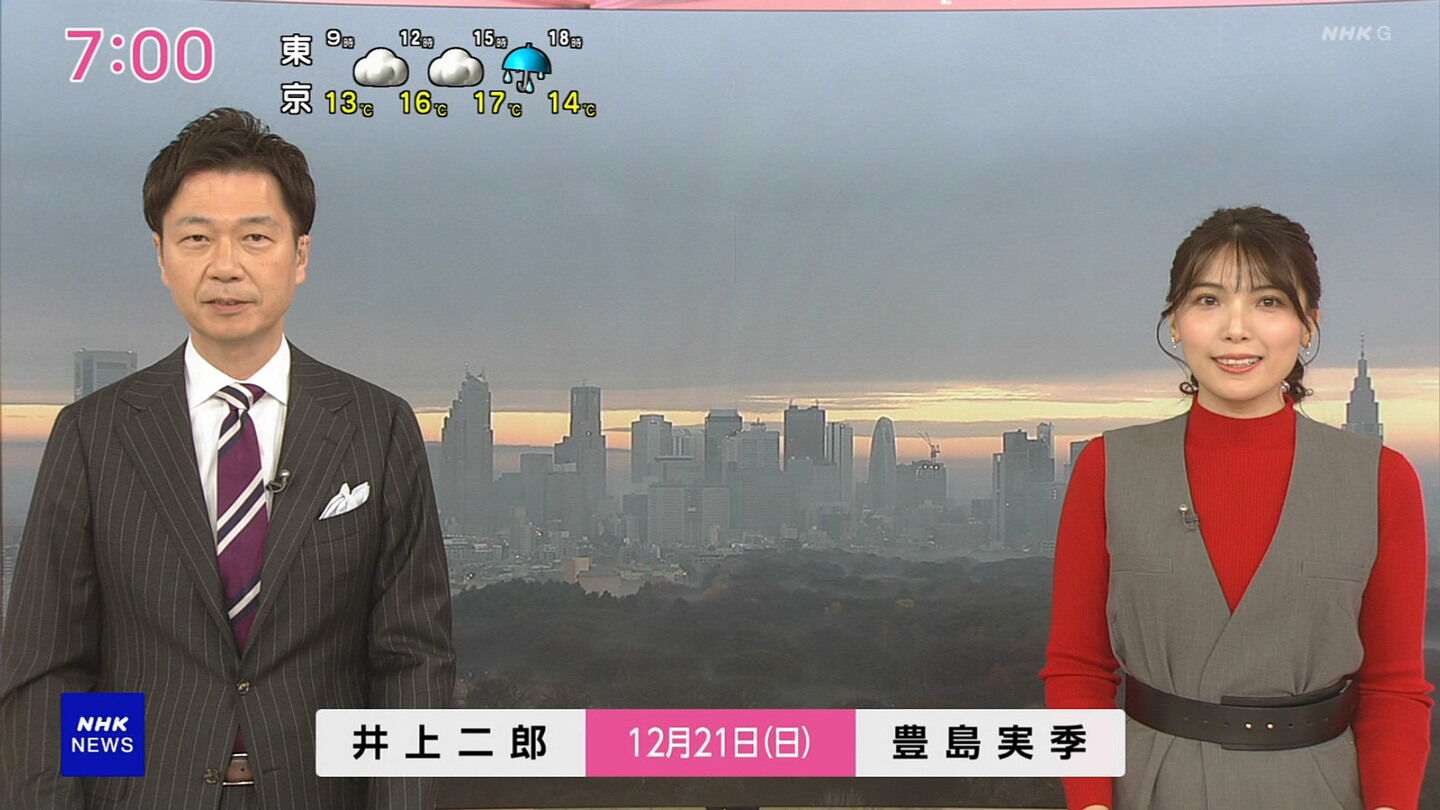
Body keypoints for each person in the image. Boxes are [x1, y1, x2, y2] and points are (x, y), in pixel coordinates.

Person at [0, 108, 455, 810]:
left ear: (300, 255)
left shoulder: (379, 426)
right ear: (161, 255)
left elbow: (412, 663)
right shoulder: (92, 434)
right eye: (196, 238)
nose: (225, 266)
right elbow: (50, 670)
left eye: (255, 237)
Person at [1041, 206, 1431, 810]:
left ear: (1309, 323)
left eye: (1268, 302)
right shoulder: (1107, 467)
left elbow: (1392, 688)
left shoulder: (1382, 479)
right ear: (1175, 322)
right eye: (1208, 300)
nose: (1236, 329)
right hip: (1150, 785)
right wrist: (1091, 803)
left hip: (1319, 788)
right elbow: (1078, 668)